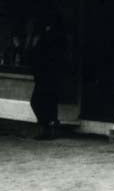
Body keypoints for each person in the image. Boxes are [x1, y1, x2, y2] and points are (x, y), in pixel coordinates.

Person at [29, 11, 66, 140]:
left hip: (47, 74)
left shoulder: (50, 36)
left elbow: (43, 55)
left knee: (38, 101)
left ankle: (47, 128)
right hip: (46, 74)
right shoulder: (46, 36)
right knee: (48, 101)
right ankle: (51, 127)